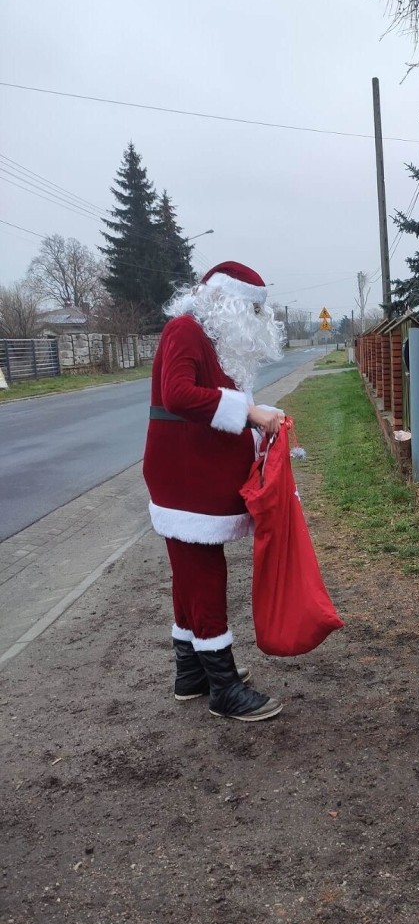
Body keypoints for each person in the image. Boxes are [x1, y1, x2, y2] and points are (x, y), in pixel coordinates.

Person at [143, 260, 286, 722]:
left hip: (193, 478)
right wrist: (248, 415)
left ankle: (191, 674)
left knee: (190, 574)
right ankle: (223, 687)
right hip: (185, 480)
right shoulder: (184, 331)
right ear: (224, 302)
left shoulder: (209, 338)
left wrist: (257, 413)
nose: (255, 322)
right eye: (251, 310)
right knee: (203, 575)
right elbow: (179, 394)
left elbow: (213, 398)